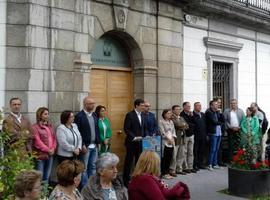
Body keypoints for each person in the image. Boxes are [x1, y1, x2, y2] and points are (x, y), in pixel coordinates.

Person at [74, 97, 100, 180]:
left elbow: (97, 129)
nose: (93, 105)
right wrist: (82, 145)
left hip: (94, 145)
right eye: (91, 104)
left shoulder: (95, 115)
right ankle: (84, 187)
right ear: (85, 104)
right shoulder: (79, 116)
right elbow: (77, 133)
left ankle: (91, 186)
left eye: (94, 103)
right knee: (84, 168)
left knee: (93, 166)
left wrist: (98, 142)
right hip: (86, 146)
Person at [123, 98, 146, 187]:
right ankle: (126, 181)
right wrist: (134, 137)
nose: (144, 107)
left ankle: (137, 179)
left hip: (141, 142)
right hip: (131, 142)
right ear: (137, 105)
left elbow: (143, 128)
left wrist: (144, 136)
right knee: (128, 162)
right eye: (142, 105)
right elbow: (126, 129)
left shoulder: (143, 115)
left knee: (138, 162)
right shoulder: (130, 115)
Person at [32, 107, 57, 183]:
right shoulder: (35, 127)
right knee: (40, 177)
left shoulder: (49, 126)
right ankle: (39, 194)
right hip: (40, 155)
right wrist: (48, 150)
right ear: (40, 115)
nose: (47, 116)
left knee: (47, 176)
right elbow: (37, 141)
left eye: (48, 114)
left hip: (50, 155)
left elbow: (54, 138)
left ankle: (45, 194)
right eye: (45, 114)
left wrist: (53, 148)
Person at [169, 105, 189, 175]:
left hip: (182, 138)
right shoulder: (172, 117)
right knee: (174, 156)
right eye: (176, 109)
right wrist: (182, 125)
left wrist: (182, 125)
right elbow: (177, 124)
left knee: (181, 155)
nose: (178, 111)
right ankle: (172, 170)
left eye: (179, 109)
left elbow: (187, 126)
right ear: (173, 110)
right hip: (176, 139)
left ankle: (179, 169)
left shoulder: (181, 117)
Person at [205, 100, 224, 171]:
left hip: (219, 132)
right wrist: (220, 123)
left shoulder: (217, 112)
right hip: (213, 133)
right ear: (211, 106)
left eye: (217, 104)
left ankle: (215, 164)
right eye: (215, 104)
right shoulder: (209, 112)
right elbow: (214, 122)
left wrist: (221, 113)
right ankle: (209, 164)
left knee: (216, 149)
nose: (217, 106)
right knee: (212, 149)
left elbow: (223, 120)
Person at [159, 109, 176, 179]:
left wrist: (173, 138)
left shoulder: (171, 121)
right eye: (168, 113)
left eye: (170, 113)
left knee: (170, 157)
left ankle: (167, 171)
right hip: (164, 141)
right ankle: (163, 173)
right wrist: (168, 139)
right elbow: (162, 131)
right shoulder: (161, 121)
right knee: (164, 157)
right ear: (164, 114)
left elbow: (173, 131)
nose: (170, 115)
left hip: (171, 141)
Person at [180, 102, 196, 173]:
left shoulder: (191, 114)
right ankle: (185, 167)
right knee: (185, 152)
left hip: (191, 135)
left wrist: (192, 116)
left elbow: (195, 123)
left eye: (190, 106)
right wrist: (190, 124)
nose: (189, 107)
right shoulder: (181, 115)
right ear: (184, 107)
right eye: (188, 106)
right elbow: (186, 124)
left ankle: (190, 167)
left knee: (191, 152)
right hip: (185, 135)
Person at [193, 102, 207, 170]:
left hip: (203, 135)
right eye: (198, 106)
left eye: (200, 106)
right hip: (196, 135)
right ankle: (195, 165)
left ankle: (200, 164)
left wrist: (206, 134)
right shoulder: (192, 114)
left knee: (202, 150)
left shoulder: (203, 114)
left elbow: (206, 125)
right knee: (195, 151)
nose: (199, 107)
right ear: (194, 107)